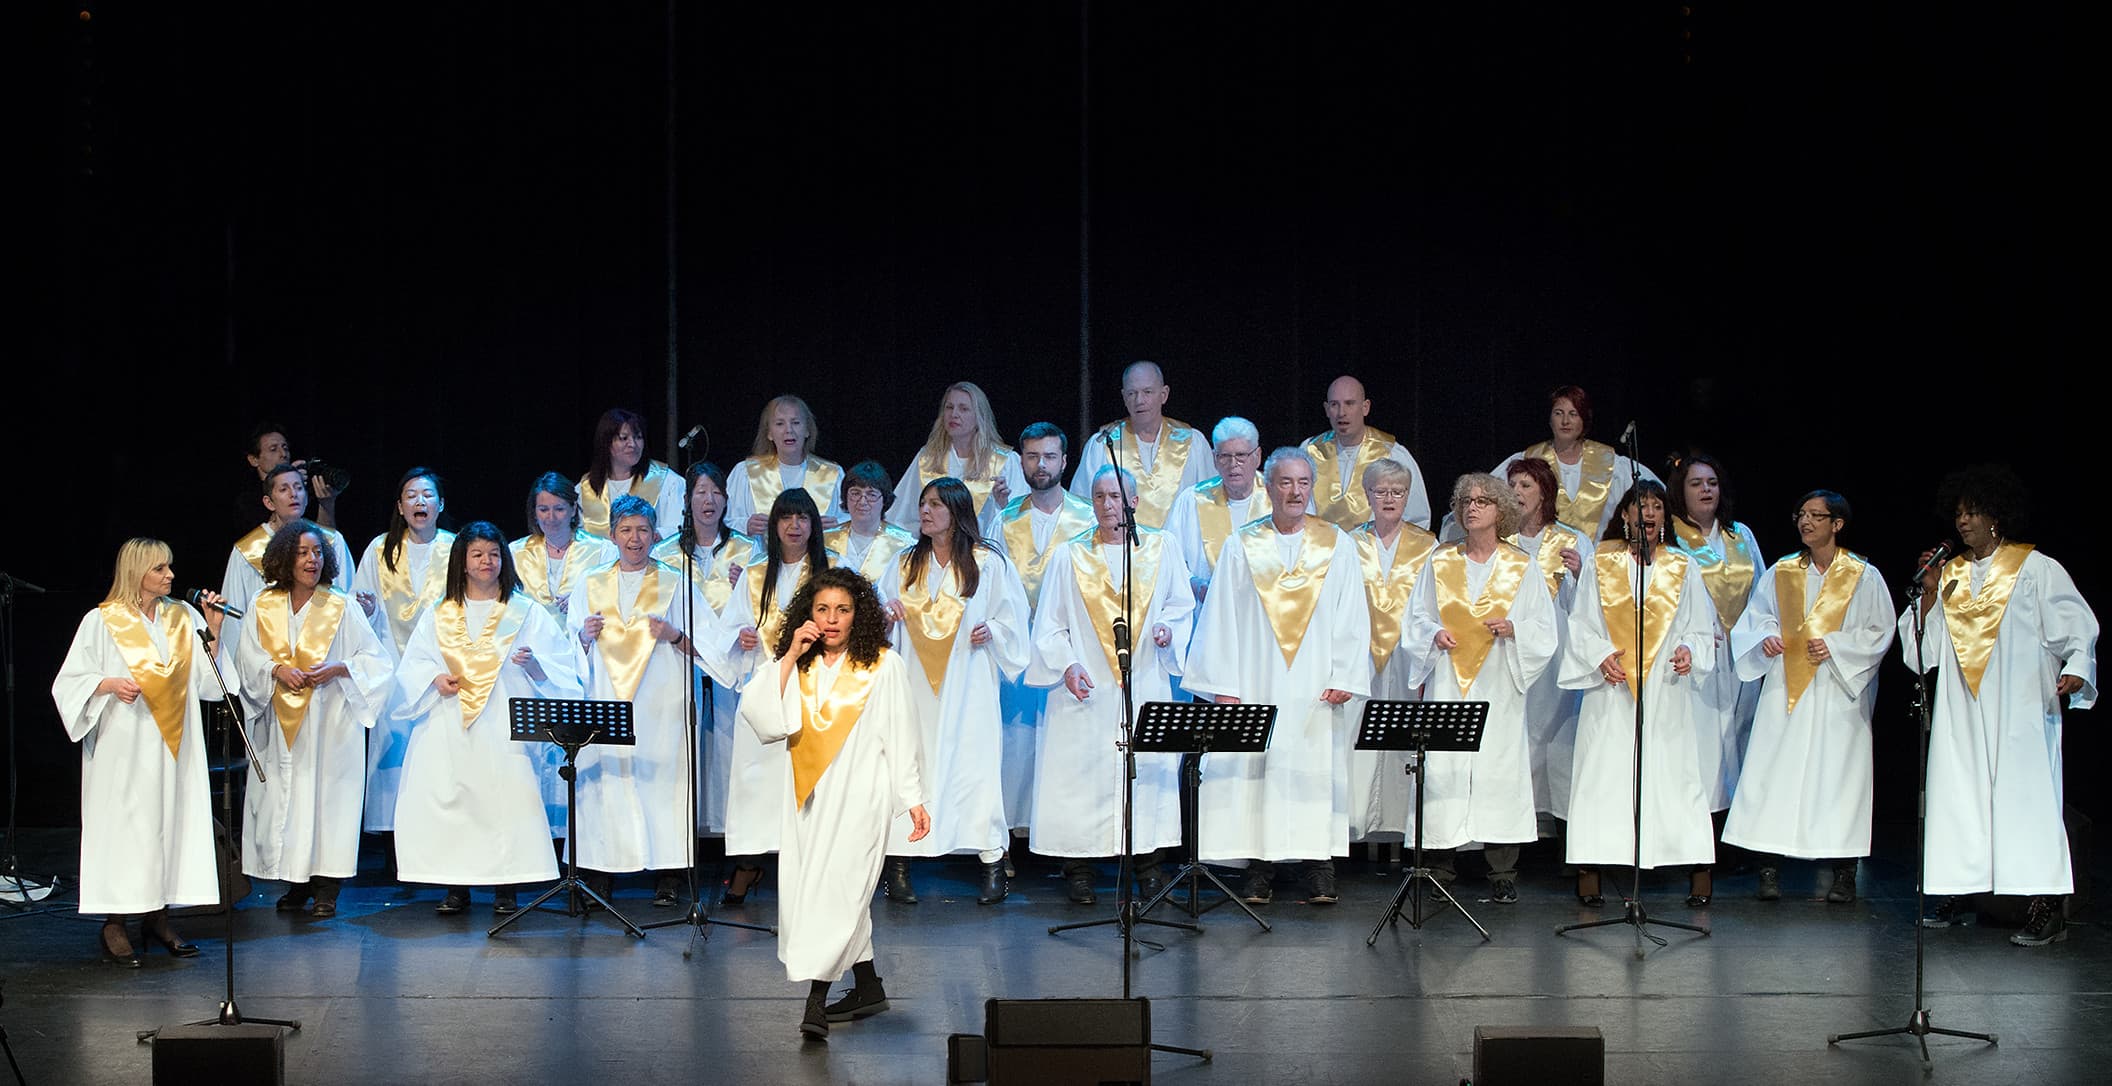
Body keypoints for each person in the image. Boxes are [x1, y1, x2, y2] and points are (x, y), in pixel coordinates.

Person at [736, 567, 930, 1042]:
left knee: (840, 895)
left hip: (862, 797)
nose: (831, 619)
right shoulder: (798, 665)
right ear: (809, 613)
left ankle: (816, 1001)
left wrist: (913, 799)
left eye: (843, 610)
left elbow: (902, 735)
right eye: (822, 609)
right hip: (808, 800)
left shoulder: (883, 666)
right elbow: (761, 716)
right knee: (820, 894)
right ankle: (868, 987)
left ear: (858, 615)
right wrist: (788, 655)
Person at [1907, 466, 2097, 946]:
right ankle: (1958, 889)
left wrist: (2077, 664)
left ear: (1996, 516)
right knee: (1960, 795)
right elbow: (1922, 652)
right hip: (1962, 705)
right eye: (1958, 513)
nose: (1963, 521)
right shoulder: (1949, 575)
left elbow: (2076, 624)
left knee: (2026, 799)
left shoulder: (2035, 568)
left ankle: (2045, 904)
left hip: (2021, 701)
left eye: (1972, 512)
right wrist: (1928, 594)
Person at [1183, 448, 1372, 905]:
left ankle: (1318, 866)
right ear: (1268, 488)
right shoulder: (1243, 545)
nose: (1295, 492)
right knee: (1258, 772)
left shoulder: (1336, 544)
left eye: (1303, 483)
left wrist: (1347, 673)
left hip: (1315, 684)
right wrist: (1223, 686)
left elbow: (1351, 613)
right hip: (1257, 679)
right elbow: (1221, 617)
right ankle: (1259, 868)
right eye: (1285, 482)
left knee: (1314, 769)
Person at [392, 521, 578, 916]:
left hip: (503, 722)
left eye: (494, 554)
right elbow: (415, 663)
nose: (486, 561)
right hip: (448, 721)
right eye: (477, 554)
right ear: (462, 561)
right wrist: (434, 679)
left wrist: (536, 666)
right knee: (454, 800)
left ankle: (505, 886)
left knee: (504, 802)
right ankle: (456, 885)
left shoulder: (524, 612)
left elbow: (561, 666)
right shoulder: (441, 613)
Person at [52, 540, 224, 965]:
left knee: (168, 824)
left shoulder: (182, 616)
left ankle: (158, 917)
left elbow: (210, 683)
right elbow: (69, 682)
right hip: (123, 743)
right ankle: (115, 923)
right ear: (136, 573)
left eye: (169, 567)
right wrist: (109, 684)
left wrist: (214, 628)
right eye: (159, 568)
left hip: (175, 744)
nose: (170, 575)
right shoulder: (102, 621)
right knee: (127, 829)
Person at [1027, 467, 1194, 903]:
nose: (1107, 504)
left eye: (1116, 496)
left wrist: (1168, 629)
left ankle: (1148, 865)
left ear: (1133, 502)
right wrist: (1066, 665)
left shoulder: (1161, 548)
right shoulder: (1070, 555)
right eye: (1100, 496)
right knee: (1080, 776)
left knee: (1145, 773)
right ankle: (1079, 869)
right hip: (1086, 687)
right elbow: (1050, 625)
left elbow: (1180, 605)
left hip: (1144, 677)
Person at [1721, 492, 1895, 904]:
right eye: (1802, 515)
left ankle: (1843, 871)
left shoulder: (1863, 575)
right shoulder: (1782, 571)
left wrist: (1836, 645)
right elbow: (1758, 616)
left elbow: (1880, 630)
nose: (1806, 522)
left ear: (1837, 524)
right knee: (1773, 773)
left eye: (1817, 516)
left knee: (1839, 778)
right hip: (1785, 686)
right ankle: (1768, 866)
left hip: (1837, 689)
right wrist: (1766, 636)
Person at [1559, 482, 1718, 907]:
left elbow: (1699, 626)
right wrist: (1599, 656)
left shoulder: (1683, 566)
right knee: (1603, 774)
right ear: (1625, 514)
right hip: (1611, 689)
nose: (1648, 513)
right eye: (1640, 506)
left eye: (1656, 506)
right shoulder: (1601, 562)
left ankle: (1697, 867)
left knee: (1673, 774)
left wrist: (1689, 650)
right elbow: (1582, 624)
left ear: (1665, 516)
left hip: (1665, 688)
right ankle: (1590, 868)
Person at [1401, 474, 1557, 903]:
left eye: (1483, 501)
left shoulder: (1520, 566)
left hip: (1499, 678)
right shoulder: (1440, 562)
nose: (1472, 507)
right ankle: (1440, 865)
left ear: (1500, 510)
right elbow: (1416, 617)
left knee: (1498, 769)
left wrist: (1515, 628)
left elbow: (1544, 628)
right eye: (1466, 501)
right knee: (1444, 765)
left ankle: (1502, 869)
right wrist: (1432, 634)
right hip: (1449, 675)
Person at [877, 477, 1030, 905]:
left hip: (969, 685)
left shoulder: (987, 563)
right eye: (923, 504)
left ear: (957, 512)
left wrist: (993, 630)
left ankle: (991, 861)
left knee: (974, 770)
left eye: (936, 505)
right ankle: (899, 864)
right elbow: (880, 614)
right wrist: (886, 616)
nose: (925, 511)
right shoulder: (905, 564)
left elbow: (1013, 618)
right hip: (914, 686)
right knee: (911, 766)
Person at [235, 519, 392, 918]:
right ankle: (296, 882)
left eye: (318, 552)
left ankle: (327, 887)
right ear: (285, 558)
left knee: (327, 801)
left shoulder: (341, 606)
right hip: (280, 719)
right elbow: (247, 655)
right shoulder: (262, 604)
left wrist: (339, 668)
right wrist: (275, 669)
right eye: (303, 553)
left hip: (330, 720)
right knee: (288, 800)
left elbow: (375, 661)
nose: (312, 560)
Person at [567, 495, 706, 907]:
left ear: (655, 535)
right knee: (607, 782)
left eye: (643, 530)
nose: (634, 538)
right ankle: (603, 870)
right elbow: (566, 649)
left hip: (662, 699)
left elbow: (707, 646)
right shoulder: (590, 582)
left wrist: (674, 636)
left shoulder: (676, 582)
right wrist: (583, 636)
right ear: (612, 534)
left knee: (664, 781)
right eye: (626, 530)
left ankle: (669, 872)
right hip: (607, 696)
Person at [712, 489, 833, 904]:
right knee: (756, 782)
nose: (794, 526)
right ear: (774, 525)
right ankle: (749, 863)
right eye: (786, 518)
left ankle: (812, 868)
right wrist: (741, 637)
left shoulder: (830, 572)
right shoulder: (754, 574)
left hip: (814, 687)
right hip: (766, 685)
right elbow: (729, 629)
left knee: (810, 782)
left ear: (813, 525)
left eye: (802, 518)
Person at [650, 462, 762, 864]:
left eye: (715, 492)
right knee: (684, 748)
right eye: (700, 492)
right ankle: (683, 844)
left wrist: (745, 585)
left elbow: (762, 602)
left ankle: (735, 842)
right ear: (687, 500)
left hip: (732, 660)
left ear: (726, 500)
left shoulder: (748, 550)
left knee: (731, 750)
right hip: (680, 659)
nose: (708, 500)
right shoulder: (666, 553)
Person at [995, 422, 1096, 838]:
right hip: (1018, 646)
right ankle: (1013, 833)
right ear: (1021, 461)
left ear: (1064, 461)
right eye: (1033, 456)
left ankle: (1062, 832)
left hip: (1070, 646)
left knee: (1063, 739)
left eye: (1049, 456)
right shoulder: (1004, 519)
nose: (1041, 465)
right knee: (1017, 741)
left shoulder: (1087, 516)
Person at [349, 468, 454, 837]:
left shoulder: (455, 548)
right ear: (399, 506)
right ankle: (394, 841)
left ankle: (438, 832)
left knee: (437, 753)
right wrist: (366, 608)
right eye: (411, 495)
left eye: (427, 495)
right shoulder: (380, 550)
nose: (419, 502)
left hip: (440, 668)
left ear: (441, 504)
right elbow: (358, 606)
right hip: (392, 666)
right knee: (394, 757)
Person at [1343, 458, 1440, 846]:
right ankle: (1354, 826)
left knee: (1403, 739)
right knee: (1356, 737)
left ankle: (1401, 827)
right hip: (1360, 653)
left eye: (1397, 492)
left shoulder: (1428, 545)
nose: (1389, 499)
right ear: (1367, 495)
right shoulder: (1348, 543)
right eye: (1380, 491)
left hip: (1408, 654)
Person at [1666, 452, 1764, 821]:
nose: (1706, 490)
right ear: (1681, 491)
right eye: (1696, 484)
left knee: (1738, 735)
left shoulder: (1739, 534)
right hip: (1696, 652)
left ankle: (1733, 824)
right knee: (1700, 739)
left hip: (1740, 652)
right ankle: (1696, 820)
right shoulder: (1672, 536)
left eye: (1712, 483)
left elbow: (1761, 590)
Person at [1503, 457, 1587, 829]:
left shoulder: (1572, 540)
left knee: (1556, 738)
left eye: (1525, 485)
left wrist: (1581, 575)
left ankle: (1560, 826)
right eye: (1512, 485)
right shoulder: (1500, 541)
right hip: (1512, 649)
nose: (1516, 492)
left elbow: (1593, 605)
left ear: (1544, 493)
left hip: (1558, 654)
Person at [219, 463, 356, 674]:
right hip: (271, 661)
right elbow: (235, 618)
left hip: (323, 656)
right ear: (269, 502)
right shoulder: (247, 552)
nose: (293, 494)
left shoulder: (330, 541)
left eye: (299, 488)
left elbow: (345, 595)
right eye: (284, 489)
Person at [1491, 384, 1660, 541]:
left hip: (1597, 558)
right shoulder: (1528, 460)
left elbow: (1657, 495)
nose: (1565, 421)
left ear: (1584, 419)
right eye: (1558, 413)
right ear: (1550, 419)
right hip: (1543, 557)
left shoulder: (1611, 463)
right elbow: (1487, 497)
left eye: (1573, 414)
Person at [1065, 361, 1215, 529]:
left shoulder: (1193, 442)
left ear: (1164, 394)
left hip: (1180, 544)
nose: (1139, 400)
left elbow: (1209, 504)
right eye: (1132, 393)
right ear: (1124, 397)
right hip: (1120, 543)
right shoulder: (1103, 444)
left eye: (1147, 392)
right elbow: (1082, 507)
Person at [889, 382, 1027, 538]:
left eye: (963, 409)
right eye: (949, 407)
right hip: (934, 549)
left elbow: (1020, 521)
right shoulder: (927, 459)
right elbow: (901, 516)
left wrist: (1003, 503)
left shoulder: (1004, 462)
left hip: (982, 548)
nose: (954, 414)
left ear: (979, 417)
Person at [1302, 375, 1432, 531]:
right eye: (1334, 404)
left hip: (1374, 545)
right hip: (1321, 544)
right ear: (1327, 409)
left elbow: (1416, 519)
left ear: (1365, 407)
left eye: (1349, 403)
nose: (1341, 412)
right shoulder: (1310, 451)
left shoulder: (1391, 453)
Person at [1165, 416, 1269, 601]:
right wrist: (1196, 586)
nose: (1233, 464)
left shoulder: (1276, 496)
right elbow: (1170, 560)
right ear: (1214, 458)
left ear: (1257, 456)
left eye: (1241, 455)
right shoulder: (1192, 500)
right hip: (1208, 608)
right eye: (1225, 456)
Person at [725, 394, 846, 535]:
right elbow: (724, 519)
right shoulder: (745, 472)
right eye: (779, 424)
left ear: (807, 430)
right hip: (762, 549)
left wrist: (838, 525)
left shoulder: (832, 474)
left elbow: (853, 521)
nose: (789, 430)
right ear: (769, 433)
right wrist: (745, 525)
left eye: (796, 423)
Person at [509, 472, 619, 621]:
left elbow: (615, 599)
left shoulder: (603, 551)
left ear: (573, 510)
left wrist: (584, 600)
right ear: (534, 512)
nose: (551, 517)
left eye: (559, 509)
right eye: (543, 510)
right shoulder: (515, 552)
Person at [577, 408, 684, 540]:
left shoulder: (666, 481)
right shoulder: (585, 488)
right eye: (624, 438)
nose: (633, 444)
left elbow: (677, 529)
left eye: (638, 437)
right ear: (606, 442)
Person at [823, 460, 916, 584]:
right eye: (855, 493)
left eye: (871, 495)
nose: (862, 502)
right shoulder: (825, 540)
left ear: (884, 500)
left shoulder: (905, 545)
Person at [237, 422, 340, 534]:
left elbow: (326, 539)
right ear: (254, 460)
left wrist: (326, 503)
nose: (283, 454)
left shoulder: (304, 490)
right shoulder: (247, 500)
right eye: (273, 449)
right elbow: (263, 538)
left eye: (285, 448)